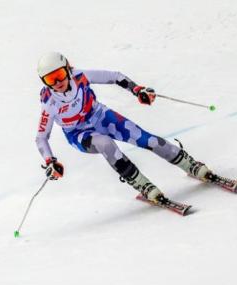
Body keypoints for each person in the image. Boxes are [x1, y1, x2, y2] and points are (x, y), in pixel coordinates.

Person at [35, 52, 211, 203]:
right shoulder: (49, 102)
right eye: (50, 79)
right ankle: (142, 184)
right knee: (105, 144)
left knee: (144, 138)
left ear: (67, 68)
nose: (57, 82)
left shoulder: (80, 76)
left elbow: (115, 76)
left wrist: (136, 89)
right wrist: (50, 161)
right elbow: (41, 137)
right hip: (79, 134)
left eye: (59, 74)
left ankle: (190, 164)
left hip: (100, 116)